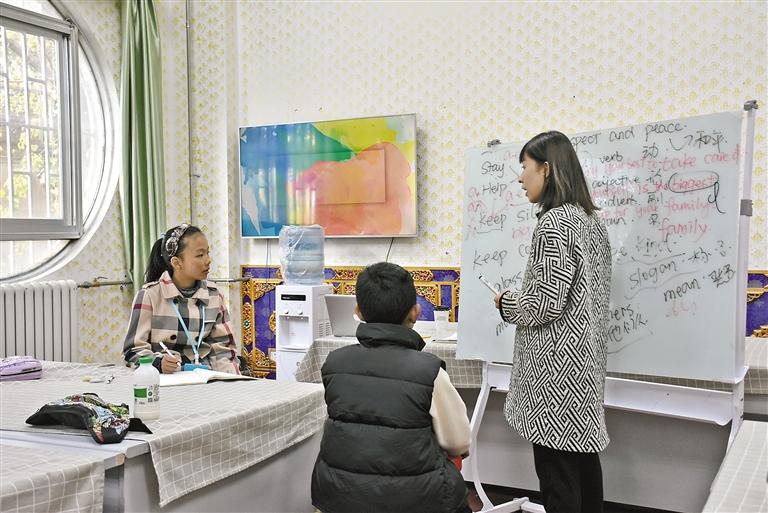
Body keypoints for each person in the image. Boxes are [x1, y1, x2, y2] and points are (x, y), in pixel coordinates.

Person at [494, 131, 612, 512]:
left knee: (558, 478)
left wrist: (506, 303)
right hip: (584, 367)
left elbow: (544, 304)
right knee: (584, 469)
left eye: (524, 167)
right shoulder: (592, 222)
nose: (520, 177)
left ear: (546, 169)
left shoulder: (555, 223)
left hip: (554, 377)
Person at [311, 262, 471, 513]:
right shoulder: (429, 371)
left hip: (338, 497)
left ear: (358, 311)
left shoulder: (334, 363)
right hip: (416, 500)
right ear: (415, 313)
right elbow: (458, 442)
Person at [122, 223, 240, 374]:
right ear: (176, 263)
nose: (208, 260)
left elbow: (224, 350)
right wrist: (158, 363)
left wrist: (233, 380)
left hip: (205, 378)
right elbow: (132, 351)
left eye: (208, 253)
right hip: (165, 379)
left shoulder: (214, 295)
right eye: (200, 255)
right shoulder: (149, 295)